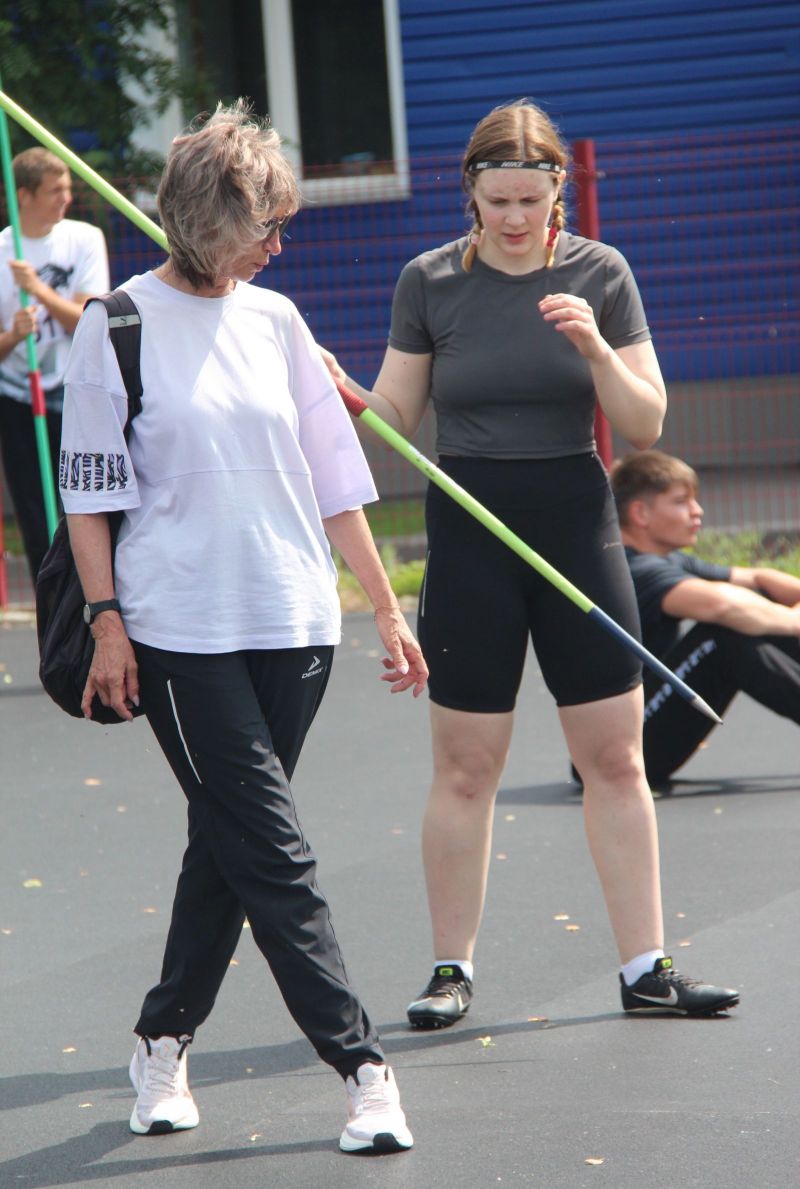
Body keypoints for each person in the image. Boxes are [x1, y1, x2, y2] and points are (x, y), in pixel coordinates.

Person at [60, 102, 428, 1156]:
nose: (278, 245)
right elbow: (87, 498)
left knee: (229, 841)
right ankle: (362, 1067)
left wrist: (384, 607)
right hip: (178, 629)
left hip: (294, 619)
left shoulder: (279, 321)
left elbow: (336, 482)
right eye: (265, 225)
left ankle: (160, 1041)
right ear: (207, 218)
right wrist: (108, 624)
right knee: (274, 850)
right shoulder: (114, 325)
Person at [336, 99, 739, 1024]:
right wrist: (342, 394)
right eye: (498, 200)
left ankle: (646, 969)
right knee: (466, 764)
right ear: (470, 193)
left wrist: (594, 346)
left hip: (574, 524)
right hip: (471, 530)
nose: (515, 218)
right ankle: (450, 972)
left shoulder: (602, 271)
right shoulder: (429, 280)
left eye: (531, 199)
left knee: (615, 758)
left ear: (559, 190)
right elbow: (393, 418)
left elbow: (645, 422)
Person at [612, 449, 800, 784]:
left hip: (643, 730)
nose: (697, 511)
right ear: (640, 513)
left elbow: (759, 579)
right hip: (620, 750)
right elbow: (723, 606)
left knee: (757, 609)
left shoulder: (669, 559)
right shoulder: (634, 569)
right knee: (723, 638)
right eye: (681, 501)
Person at [0, 147, 109, 582]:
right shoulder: (2, 250)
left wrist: (39, 291)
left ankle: (90, 597)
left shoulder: (84, 239)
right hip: (16, 393)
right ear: (23, 195)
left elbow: (88, 320)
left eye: (67, 187)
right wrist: (13, 335)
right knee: (34, 510)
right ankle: (50, 604)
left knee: (82, 504)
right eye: (54, 190)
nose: (66, 197)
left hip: (72, 388)